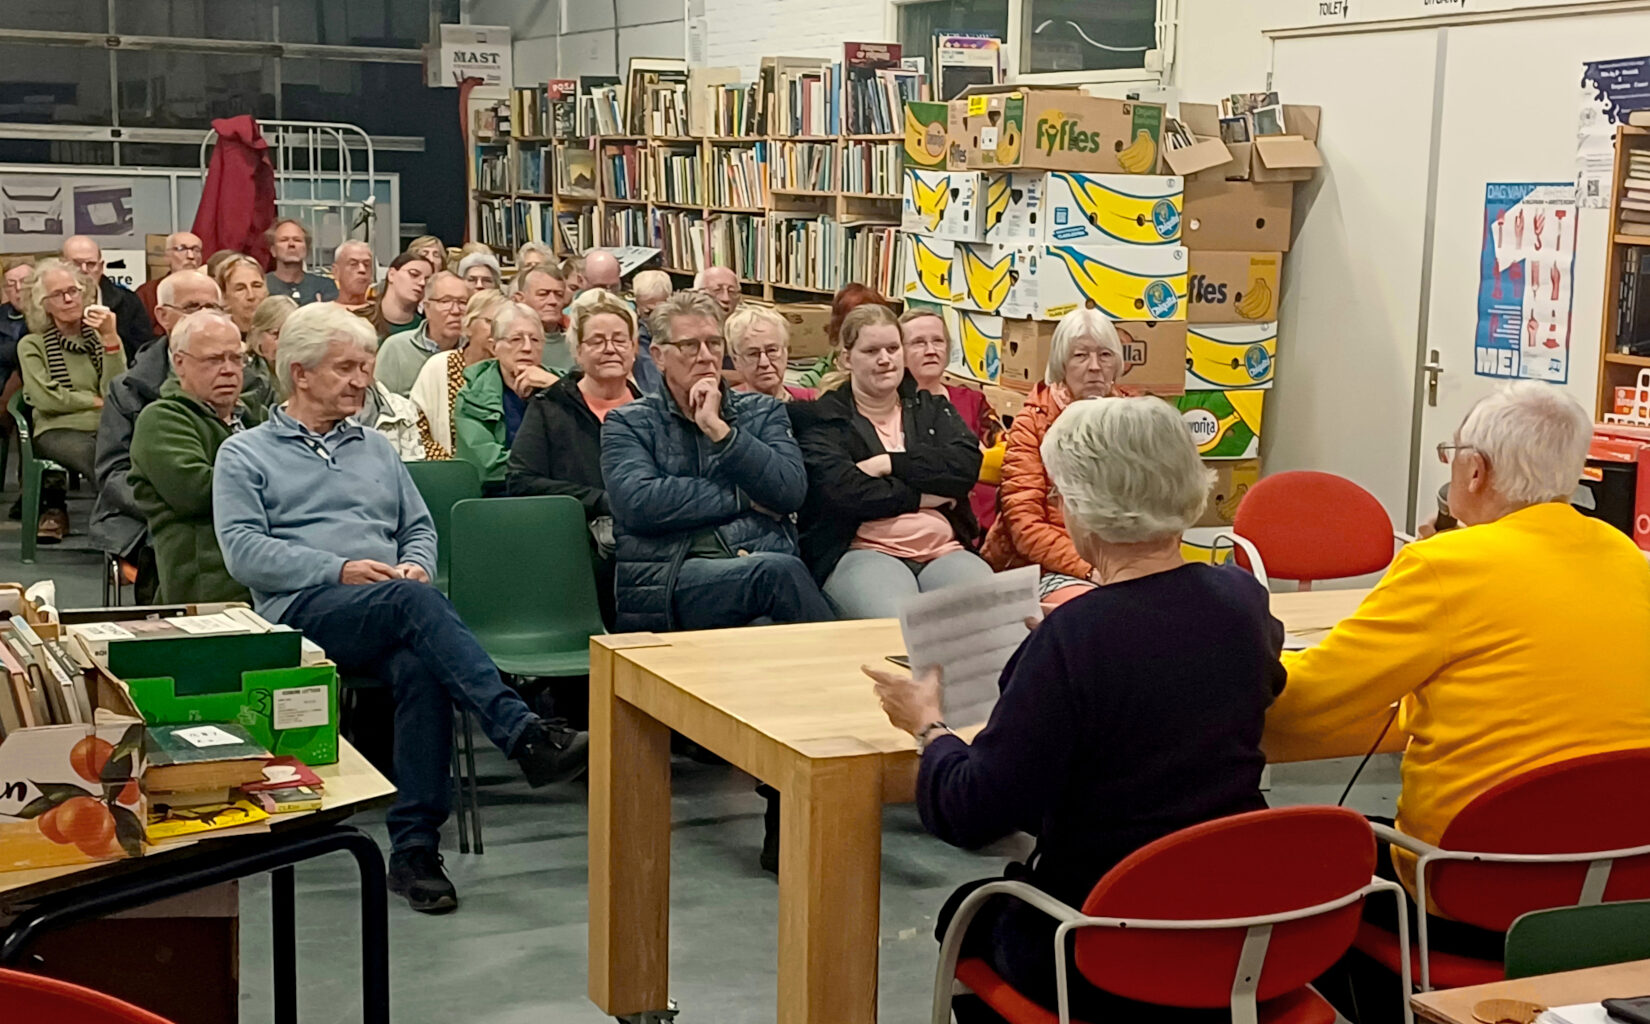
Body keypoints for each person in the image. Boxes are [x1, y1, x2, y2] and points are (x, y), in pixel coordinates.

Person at [865, 396, 1284, 1024]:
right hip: (1238, 926)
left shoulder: (1071, 641)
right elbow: (1242, 677)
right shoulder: (1241, 599)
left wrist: (930, 727)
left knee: (970, 910)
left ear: (1085, 509)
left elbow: (973, 811)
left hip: (1103, 944)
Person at [1265, 382, 1650, 1018]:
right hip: (1625, 897)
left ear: (1475, 470)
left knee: (1308, 876)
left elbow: (1307, 706)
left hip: (1473, 898)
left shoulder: (1447, 563)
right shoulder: (1628, 560)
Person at [212, 301, 589, 913]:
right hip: (303, 609)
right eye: (347, 369)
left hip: (388, 603)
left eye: (366, 366)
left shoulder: (376, 449)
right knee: (414, 605)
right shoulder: (246, 453)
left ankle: (414, 852)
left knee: (420, 668)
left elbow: (417, 527)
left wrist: (414, 561)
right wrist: (338, 568)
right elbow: (245, 553)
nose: (363, 381)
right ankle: (521, 733)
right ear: (300, 373)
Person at [601, 290, 833, 632]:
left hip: (752, 567)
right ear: (659, 356)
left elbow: (789, 491)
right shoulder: (628, 423)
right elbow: (639, 503)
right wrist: (743, 498)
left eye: (713, 343)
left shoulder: (762, 411)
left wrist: (720, 431)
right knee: (777, 575)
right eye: (690, 346)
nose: (706, 356)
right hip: (672, 576)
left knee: (767, 624)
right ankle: (849, 679)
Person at [790, 304, 991, 618]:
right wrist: (926, 496)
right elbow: (845, 491)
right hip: (864, 551)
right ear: (846, 358)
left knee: (993, 616)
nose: (885, 359)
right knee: (900, 624)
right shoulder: (823, 418)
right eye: (871, 350)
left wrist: (889, 464)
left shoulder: (931, 408)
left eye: (892, 348)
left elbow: (965, 466)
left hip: (944, 550)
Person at [981, 308, 1141, 605]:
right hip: (1050, 566)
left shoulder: (1135, 416)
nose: (1095, 367)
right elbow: (1025, 526)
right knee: (1100, 610)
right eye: (1081, 356)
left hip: (1125, 563)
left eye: (1105, 355)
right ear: (1061, 364)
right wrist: (1091, 570)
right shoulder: (1033, 422)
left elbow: (1161, 505)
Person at [507, 291, 641, 626]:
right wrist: (600, 501)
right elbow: (521, 482)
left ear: (634, 349)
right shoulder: (551, 407)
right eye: (597, 341)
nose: (610, 348)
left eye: (619, 340)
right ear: (578, 352)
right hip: (570, 545)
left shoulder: (651, 411)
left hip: (641, 539)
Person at [91, 270, 223, 585]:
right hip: (143, 513)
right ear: (163, 316)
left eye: (213, 308)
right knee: (174, 545)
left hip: (228, 505)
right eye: (193, 308)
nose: (204, 318)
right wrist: (166, 507)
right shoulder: (129, 388)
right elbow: (113, 472)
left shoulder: (251, 383)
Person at [129, 310, 267, 604]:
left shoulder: (258, 416)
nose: (229, 370)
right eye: (214, 360)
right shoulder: (162, 419)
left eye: (236, 358)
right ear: (179, 363)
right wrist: (281, 481)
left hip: (271, 570)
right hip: (210, 583)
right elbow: (197, 492)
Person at [19, 258, 129, 541]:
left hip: (105, 425)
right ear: (43, 304)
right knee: (100, 457)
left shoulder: (98, 337)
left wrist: (111, 338)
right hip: (57, 429)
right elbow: (46, 399)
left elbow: (115, 388)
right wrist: (95, 402)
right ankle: (121, 525)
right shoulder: (32, 345)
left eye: (74, 291)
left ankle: (125, 521)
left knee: (136, 451)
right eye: (58, 294)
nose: (69, 299)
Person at [899, 309, 1005, 532]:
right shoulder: (891, 408)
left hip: (987, 526)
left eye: (938, 341)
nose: (931, 350)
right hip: (928, 524)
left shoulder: (973, 401)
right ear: (899, 352)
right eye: (918, 342)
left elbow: (1007, 457)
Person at [454, 301, 557, 490]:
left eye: (535, 340)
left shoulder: (562, 385)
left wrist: (557, 389)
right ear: (494, 347)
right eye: (516, 339)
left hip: (560, 498)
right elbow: (486, 466)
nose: (527, 348)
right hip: (497, 500)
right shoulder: (473, 396)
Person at [411, 289, 506, 461]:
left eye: (504, 326)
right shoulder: (439, 366)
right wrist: (452, 468)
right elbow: (417, 427)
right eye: (490, 322)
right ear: (468, 326)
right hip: (445, 471)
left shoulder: (508, 372)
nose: (497, 331)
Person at [376, 271, 468, 396]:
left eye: (463, 302)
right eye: (446, 301)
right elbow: (379, 403)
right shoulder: (396, 348)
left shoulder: (473, 352)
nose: (456, 311)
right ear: (427, 308)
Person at [62, 235, 153, 360]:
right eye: (76, 264)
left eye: (91, 264)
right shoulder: (48, 303)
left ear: (101, 267)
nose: (84, 270)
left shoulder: (128, 302)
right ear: (61, 266)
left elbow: (145, 354)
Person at [727, 306, 815, 402]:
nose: (764, 363)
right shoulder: (725, 408)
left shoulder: (811, 400)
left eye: (772, 350)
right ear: (736, 361)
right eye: (753, 354)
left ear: (786, 352)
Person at [136, 231, 204, 332]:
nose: (191, 256)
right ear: (167, 257)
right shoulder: (148, 292)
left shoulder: (210, 291)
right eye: (182, 249)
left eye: (196, 250)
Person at [265, 219, 339, 305]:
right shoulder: (261, 285)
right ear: (273, 250)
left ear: (306, 249)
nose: (291, 244)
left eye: (297, 240)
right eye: (284, 240)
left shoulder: (325, 286)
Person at [513, 264, 571, 371]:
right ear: (519, 299)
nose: (553, 301)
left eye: (559, 294)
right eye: (543, 294)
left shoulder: (576, 344)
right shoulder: (509, 343)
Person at [244, 295, 297, 409]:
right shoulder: (250, 377)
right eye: (276, 334)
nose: (284, 341)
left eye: (289, 333)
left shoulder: (303, 373)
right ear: (256, 334)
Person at [369, 253, 431, 341]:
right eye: (414, 274)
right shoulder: (358, 320)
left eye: (427, 280)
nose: (422, 283)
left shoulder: (427, 330)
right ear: (391, 274)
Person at [628, 269, 671, 393]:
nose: (654, 319)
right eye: (648, 313)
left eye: (661, 311)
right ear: (637, 306)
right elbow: (653, 390)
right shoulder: (637, 342)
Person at [215, 254, 270, 339]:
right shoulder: (217, 336)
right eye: (240, 289)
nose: (251, 296)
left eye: (257, 286)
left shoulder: (283, 331)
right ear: (224, 296)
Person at [331, 241, 376, 313]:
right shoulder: (318, 313)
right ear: (336, 271)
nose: (362, 269)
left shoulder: (384, 313)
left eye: (367, 264)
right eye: (353, 264)